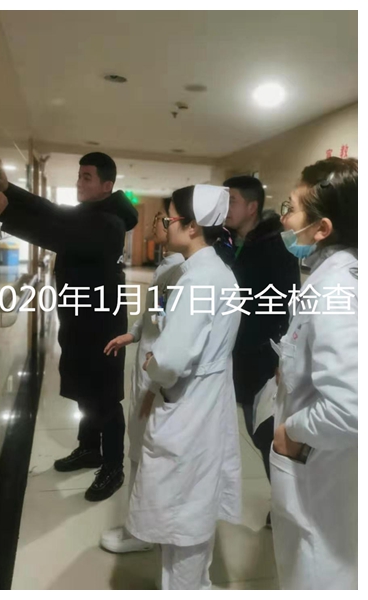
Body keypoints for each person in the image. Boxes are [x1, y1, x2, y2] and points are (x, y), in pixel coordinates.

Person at [0, 153, 138, 502]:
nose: (79, 182)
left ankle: (113, 466)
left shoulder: (110, 222)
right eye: (79, 175)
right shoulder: (92, 212)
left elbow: (59, 235)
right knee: (85, 389)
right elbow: (54, 212)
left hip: (102, 324)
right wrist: (12, 191)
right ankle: (90, 448)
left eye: (87, 177)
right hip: (80, 319)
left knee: (105, 397)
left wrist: (8, 213)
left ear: (106, 186)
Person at [126, 185, 242, 590]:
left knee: (183, 514)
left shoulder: (198, 281)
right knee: (193, 505)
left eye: (169, 218)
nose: (164, 225)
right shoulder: (214, 272)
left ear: (192, 227)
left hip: (189, 406)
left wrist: (152, 364)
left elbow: (171, 360)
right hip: (205, 400)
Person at [271, 157, 357, 589]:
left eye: (291, 208)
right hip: (325, 475)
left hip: (321, 476)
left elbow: (350, 409)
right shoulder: (333, 276)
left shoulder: (337, 288)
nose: (284, 218)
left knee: (317, 572)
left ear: (322, 228)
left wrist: (291, 431)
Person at [99, 201, 184, 553]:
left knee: (148, 452)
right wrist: (133, 333)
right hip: (149, 364)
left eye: (163, 218)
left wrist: (155, 384)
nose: (155, 223)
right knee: (140, 447)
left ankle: (144, 532)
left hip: (157, 374)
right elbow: (153, 312)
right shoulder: (167, 264)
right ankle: (140, 524)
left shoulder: (181, 271)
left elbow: (174, 332)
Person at [224, 176, 300, 513]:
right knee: (256, 431)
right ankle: (283, 502)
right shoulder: (232, 242)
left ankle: (287, 505)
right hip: (240, 355)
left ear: (252, 206)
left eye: (232, 201)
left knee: (267, 433)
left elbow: (288, 303)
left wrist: (281, 356)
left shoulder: (274, 245)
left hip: (265, 358)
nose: (225, 208)